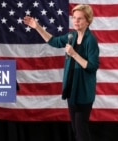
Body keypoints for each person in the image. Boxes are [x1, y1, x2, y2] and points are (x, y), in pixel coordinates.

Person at [23, 4, 99, 141]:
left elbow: (92, 66)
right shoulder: (71, 36)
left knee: (81, 131)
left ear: (88, 20)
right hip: (71, 90)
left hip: (83, 92)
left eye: (80, 19)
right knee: (77, 131)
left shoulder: (91, 40)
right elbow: (53, 41)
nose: (76, 21)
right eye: (74, 18)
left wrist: (74, 54)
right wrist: (37, 27)